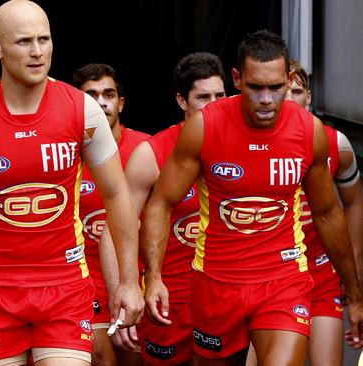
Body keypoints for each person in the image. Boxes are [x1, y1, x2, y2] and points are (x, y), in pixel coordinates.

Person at [0, 1, 144, 365]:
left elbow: (117, 195)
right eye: (24, 41)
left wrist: (129, 283)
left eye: (45, 39)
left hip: (65, 288)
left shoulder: (83, 110)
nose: (38, 52)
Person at [142, 29, 363, 365]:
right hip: (216, 282)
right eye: (255, 87)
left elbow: (328, 213)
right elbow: (161, 202)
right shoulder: (204, 127)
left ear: (289, 80)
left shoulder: (308, 131)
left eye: (275, 87)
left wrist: (355, 290)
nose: (265, 99)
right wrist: (153, 277)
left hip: (283, 280)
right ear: (236, 78)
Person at [103, 52, 225, 366]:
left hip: (226, 295)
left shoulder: (246, 145)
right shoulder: (152, 153)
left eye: (220, 95)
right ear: (182, 101)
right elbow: (114, 228)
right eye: (203, 97)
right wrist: (122, 296)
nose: (213, 104)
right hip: (168, 300)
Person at [71, 63, 150, 366]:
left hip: (135, 280)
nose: (101, 102)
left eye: (108, 94)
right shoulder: (65, 152)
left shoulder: (145, 148)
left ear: (121, 102)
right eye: (91, 95)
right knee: (100, 357)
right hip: (83, 283)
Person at [286, 60, 362, 366]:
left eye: (296, 90)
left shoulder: (336, 144)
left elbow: (355, 203)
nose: (289, 98)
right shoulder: (250, 142)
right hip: (273, 274)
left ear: (309, 97)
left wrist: (351, 268)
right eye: (284, 90)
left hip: (321, 272)